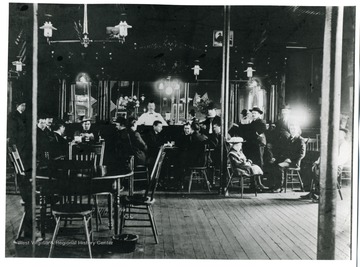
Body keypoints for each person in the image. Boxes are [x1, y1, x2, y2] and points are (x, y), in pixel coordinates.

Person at [301, 127, 351, 201]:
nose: (338, 135)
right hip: (326, 165)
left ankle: (321, 195)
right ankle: (313, 192)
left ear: (344, 135)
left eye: (341, 133)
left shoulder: (344, 144)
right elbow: (324, 154)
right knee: (309, 168)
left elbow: (342, 158)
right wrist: (317, 161)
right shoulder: (332, 142)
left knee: (323, 173)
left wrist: (329, 164)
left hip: (336, 167)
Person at [272, 123, 306, 192]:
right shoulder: (289, 139)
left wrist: (290, 159)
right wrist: (277, 158)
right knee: (274, 163)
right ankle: (275, 184)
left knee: (279, 166)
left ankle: (279, 187)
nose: (292, 131)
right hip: (287, 160)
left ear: (298, 130)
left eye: (294, 129)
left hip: (294, 162)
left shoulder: (300, 140)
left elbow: (301, 154)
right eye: (291, 129)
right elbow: (285, 151)